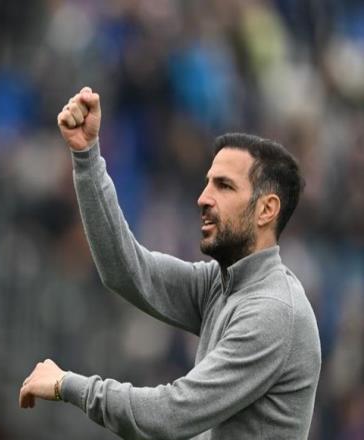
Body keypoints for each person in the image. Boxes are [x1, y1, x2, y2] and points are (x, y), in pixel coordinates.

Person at [19, 87, 321, 439]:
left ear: (266, 209)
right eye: (207, 183)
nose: (203, 198)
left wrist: (68, 385)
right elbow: (126, 271)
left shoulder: (272, 311)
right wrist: (86, 157)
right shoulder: (221, 284)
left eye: (224, 186)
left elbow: (170, 414)